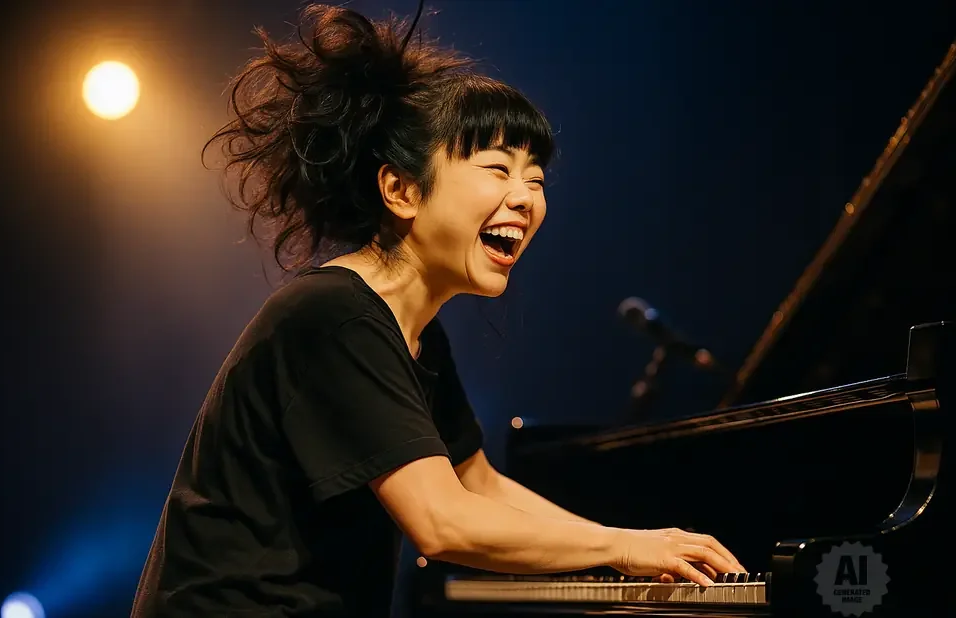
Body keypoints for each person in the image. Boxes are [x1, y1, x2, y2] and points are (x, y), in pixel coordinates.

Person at [130, 3, 744, 617]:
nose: (525, 198)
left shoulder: (413, 334)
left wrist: (628, 550)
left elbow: (477, 484)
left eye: (535, 178)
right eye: (498, 168)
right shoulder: (335, 314)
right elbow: (441, 520)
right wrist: (622, 547)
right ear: (401, 190)